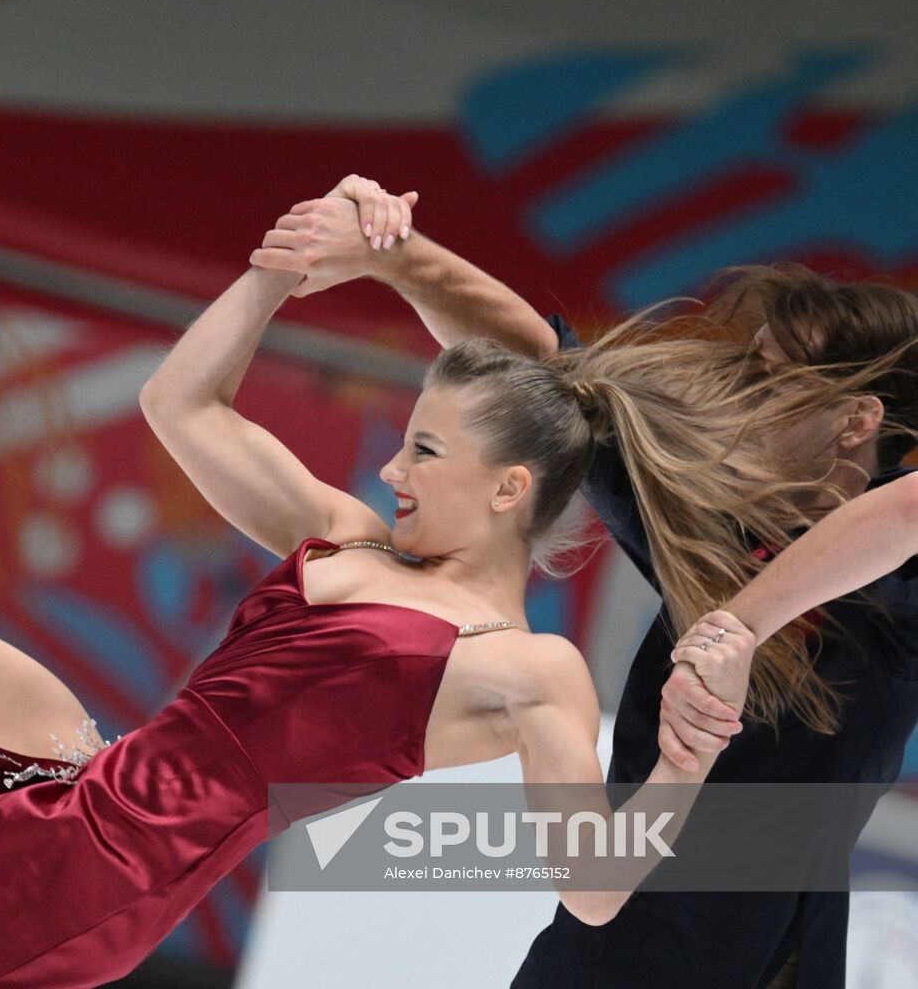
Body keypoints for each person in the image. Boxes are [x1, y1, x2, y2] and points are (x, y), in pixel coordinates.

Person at [0, 206, 910, 989]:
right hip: (87, 789)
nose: (387, 464)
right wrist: (315, 262)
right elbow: (184, 403)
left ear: (509, 493)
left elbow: (597, 880)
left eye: (426, 452)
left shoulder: (525, 665)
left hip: (86, 869)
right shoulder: (359, 533)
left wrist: (684, 745)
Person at [253, 177, 918, 987]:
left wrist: (729, 631)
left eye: (771, 382)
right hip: (602, 963)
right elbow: (537, 372)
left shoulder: (899, 589)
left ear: (856, 421)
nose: (740, 397)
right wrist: (399, 257)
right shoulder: (702, 522)